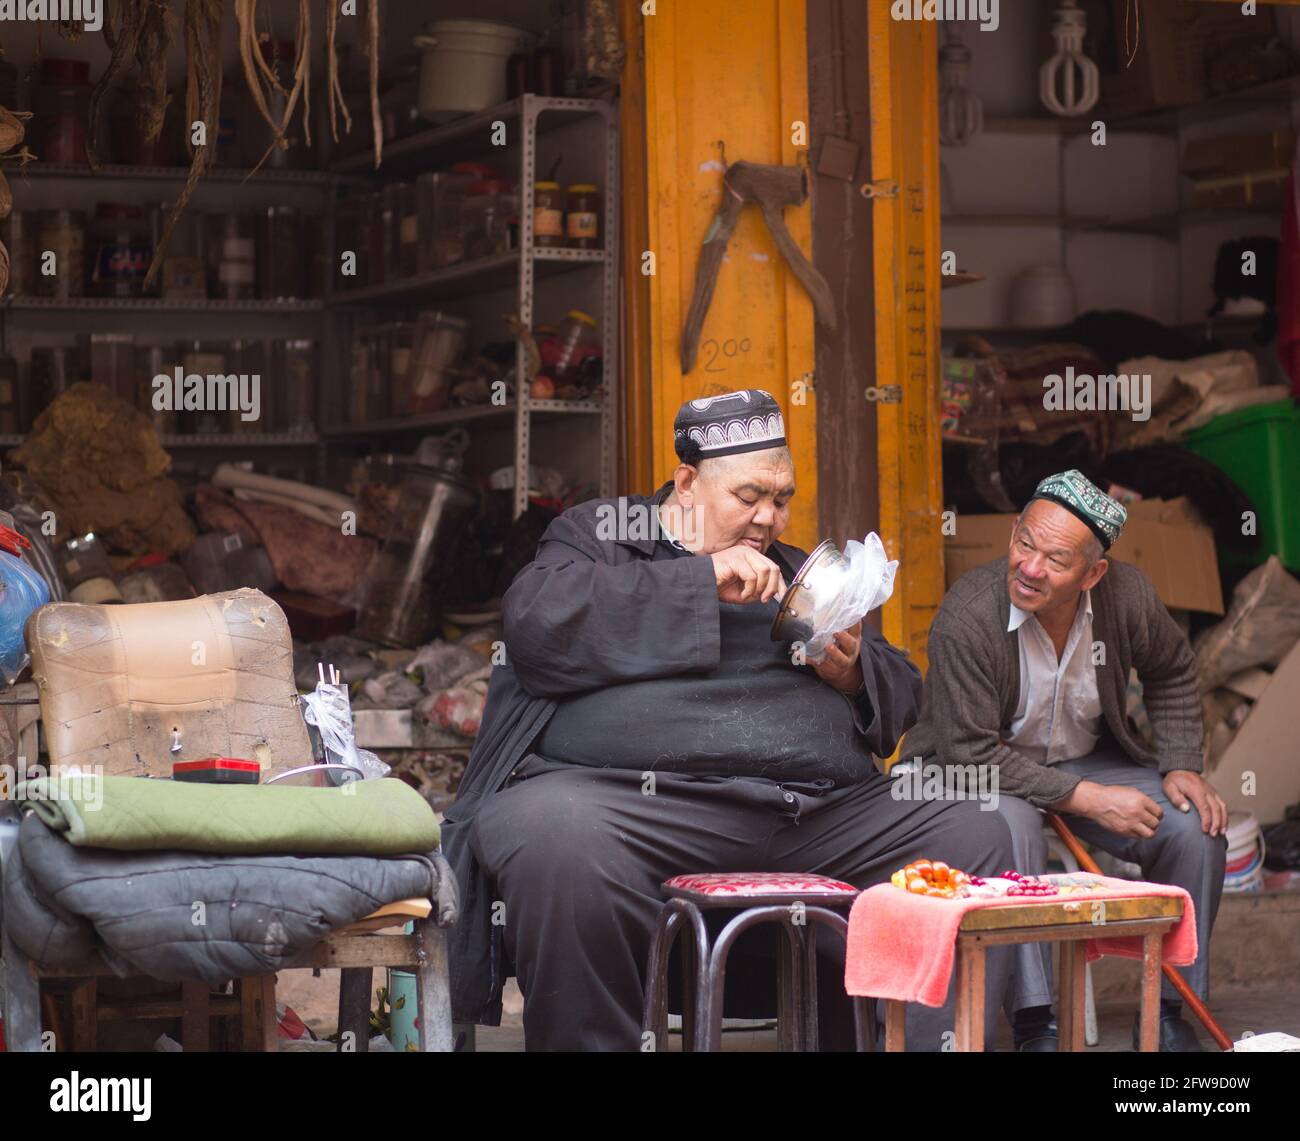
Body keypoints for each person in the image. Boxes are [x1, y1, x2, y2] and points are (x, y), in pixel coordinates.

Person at [441, 388, 1014, 1050]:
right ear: (686, 482)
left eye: (781, 499)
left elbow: (902, 692)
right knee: (549, 830)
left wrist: (852, 673)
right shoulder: (603, 538)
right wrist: (700, 578)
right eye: (749, 497)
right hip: (634, 812)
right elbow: (537, 622)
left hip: (817, 816)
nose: (769, 517)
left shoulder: (796, 570)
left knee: (981, 824)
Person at [904, 470, 1227, 1052]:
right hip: (974, 772)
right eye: (1024, 543)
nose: (1029, 568)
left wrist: (1181, 763)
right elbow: (968, 752)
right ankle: (1038, 1021)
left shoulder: (1126, 597)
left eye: (1055, 559)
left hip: (1083, 760)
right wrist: (1085, 799)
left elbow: (1173, 668)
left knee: (1193, 829)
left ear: (1093, 573)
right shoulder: (968, 616)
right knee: (1013, 827)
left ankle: (1170, 1012)